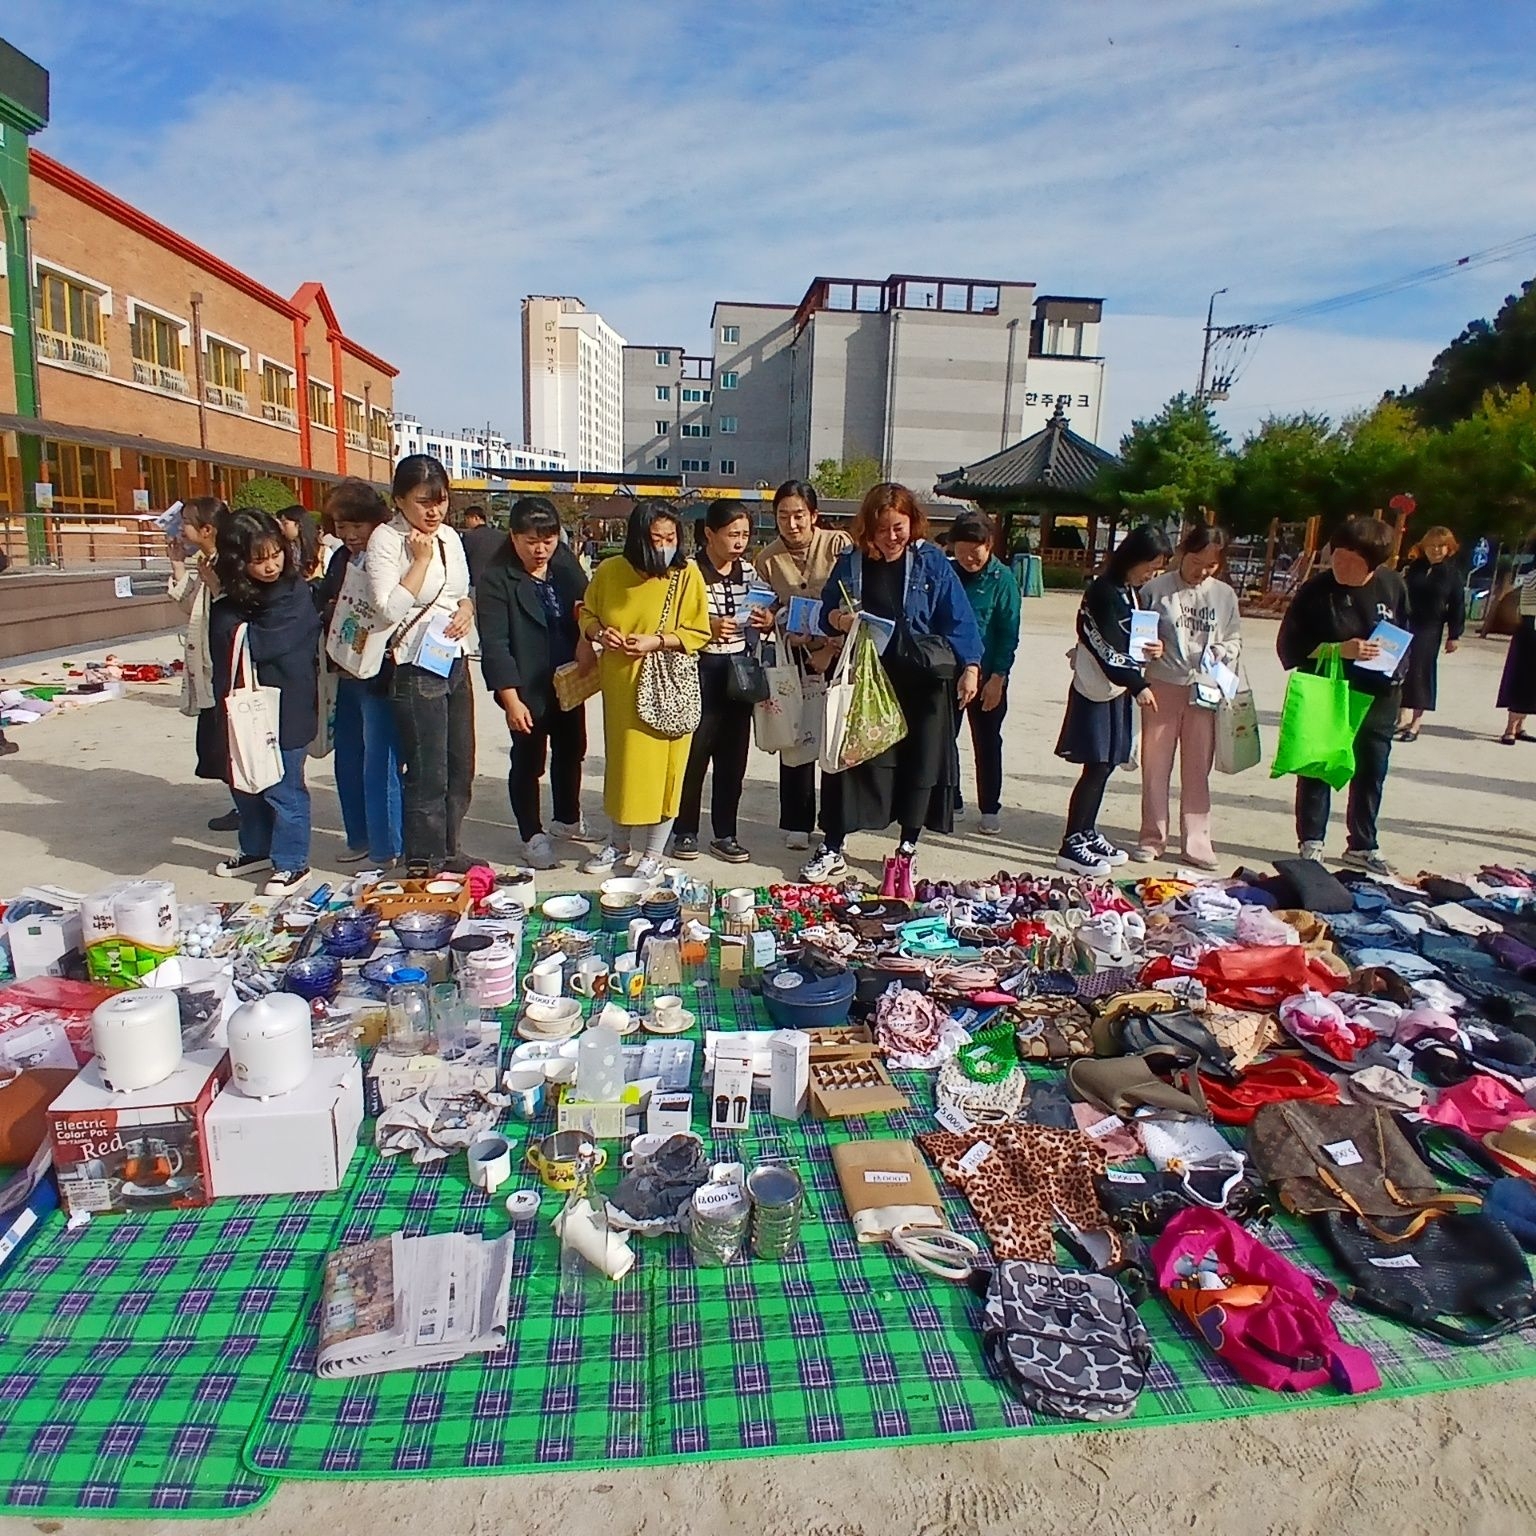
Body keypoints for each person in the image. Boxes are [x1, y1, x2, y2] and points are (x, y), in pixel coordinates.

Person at [803, 483, 982, 896]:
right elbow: (825, 611)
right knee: (848, 759)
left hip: (922, 679)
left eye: (898, 527)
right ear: (868, 527)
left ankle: (907, 846)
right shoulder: (851, 562)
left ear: (912, 522)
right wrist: (838, 619)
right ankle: (833, 844)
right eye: (882, 529)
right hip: (868, 676)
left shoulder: (930, 561)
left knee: (920, 761)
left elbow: (959, 618)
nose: (891, 537)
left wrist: (971, 667)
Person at [577, 502, 710, 880]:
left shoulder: (686, 575)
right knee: (623, 767)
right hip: (621, 685)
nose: (665, 546)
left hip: (666, 687)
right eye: (656, 539)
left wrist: (657, 641)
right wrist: (599, 633)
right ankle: (618, 843)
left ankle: (653, 852)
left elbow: (698, 631)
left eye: (671, 538)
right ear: (637, 539)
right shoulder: (610, 571)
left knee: (665, 772)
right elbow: (587, 613)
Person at [1277, 515, 1409, 873]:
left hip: (1379, 694)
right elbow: (1290, 646)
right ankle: (1311, 842)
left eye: (1353, 561)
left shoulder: (1393, 585)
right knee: (1319, 766)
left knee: (1371, 770)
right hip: (1328, 691)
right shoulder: (1315, 591)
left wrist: (1403, 683)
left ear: (1373, 564)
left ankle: (1363, 844)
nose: (1342, 566)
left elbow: (1406, 635)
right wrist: (1339, 650)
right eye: (1338, 556)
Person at [365, 454, 478, 870]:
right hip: (414, 664)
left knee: (460, 766)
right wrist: (421, 561)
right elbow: (387, 610)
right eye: (423, 502)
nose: (434, 511)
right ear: (399, 500)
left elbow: (460, 590)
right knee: (428, 770)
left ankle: (450, 848)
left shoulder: (449, 536)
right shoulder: (386, 540)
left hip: (453, 659)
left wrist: (466, 608)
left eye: (441, 500)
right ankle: (425, 859)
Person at [477, 496, 594, 869]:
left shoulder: (565, 567)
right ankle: (531, 834)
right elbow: (495, 645)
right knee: (529, 759)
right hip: (525, 684)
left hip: (567, 679)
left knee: (572, 748)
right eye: (531, 541)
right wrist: (510, 699)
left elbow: (588, 607)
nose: (540, 549)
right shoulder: (497, 579)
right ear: (513, 537)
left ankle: (567, 818)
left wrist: (586, 639)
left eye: (548, 540)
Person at [208, 509, 321, 895]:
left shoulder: (294, 593)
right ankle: (256, 848)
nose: (271, 566)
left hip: (287, 705)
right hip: (242, 706)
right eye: (259, 560)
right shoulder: (232, 597)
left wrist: (233, 621)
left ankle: (292, 862)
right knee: (245, 781)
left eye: (276, 554)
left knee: (283, 786)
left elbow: (264, 642)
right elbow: (221, 634)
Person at [1054, 525, 1171, 877]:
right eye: (1150, 566)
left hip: (1116, 691)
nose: (1151, 575)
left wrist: (1155, 649)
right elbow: (1103, 646)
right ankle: (1071, 842)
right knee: (1096, 764)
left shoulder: (1130, 592)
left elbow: (1132, 640)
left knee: (1107, 764)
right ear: (1133, 557)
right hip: (1098, 688)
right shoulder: (1103, 591)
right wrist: (1137, 684)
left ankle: (1087, 831)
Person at [1134, 524, 1242, 869]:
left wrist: (1222, 650)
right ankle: (1152, 837)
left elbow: (1235, 639)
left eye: (1211, 565)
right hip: (1163, 683)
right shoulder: (1156, 590)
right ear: (1183, 553)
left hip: (1205, 688)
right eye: (1196, 562)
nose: (1202, 571)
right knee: (1155, 765)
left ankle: (1197, 841)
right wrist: (1148, 648)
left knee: (1197, 768)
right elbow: (1137, 635)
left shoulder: (1224, 595)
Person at [674, 500, 774, 864]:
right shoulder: (688, 572)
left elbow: (766, 611)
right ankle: (685, 830)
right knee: (694, 755)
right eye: (732, 534)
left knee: (733, 759)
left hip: (739, 670)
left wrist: (766, 620)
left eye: (745, 534)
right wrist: (708, 627)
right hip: (700, 669)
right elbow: (672, 620)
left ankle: (725, 833)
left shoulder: (748, 571)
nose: (740, 542)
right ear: (709, 534)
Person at [755, 480, 852, 849]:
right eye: (783, 516)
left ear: (814, 515)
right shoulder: (767, 559)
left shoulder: (839, 545)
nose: (792, 524)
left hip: (838, 657)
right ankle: (797, 820)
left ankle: (836, 824)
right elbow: (766, 608)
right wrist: (774, 622)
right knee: (795, 737)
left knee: (835, 740)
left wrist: (831, 647)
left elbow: (855, 602)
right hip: (795, 658)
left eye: (799, 515)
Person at [314, 479, 403, 868]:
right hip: (345, 670)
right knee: (348, 757)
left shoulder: (390, 555)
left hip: (380, 674)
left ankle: (387, 847)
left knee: (379, 761)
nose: (349, 535)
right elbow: (324, 601)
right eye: (341, 526)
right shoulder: (340, 559)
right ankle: (359, 837)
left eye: (357, 525)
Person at [167, 495, 239, 832]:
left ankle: (250, 809)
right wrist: (178, 565)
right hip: (210, 665)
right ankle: (241, 804)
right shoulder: (205, 561)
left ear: (207, 529)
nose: (181, 529)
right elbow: (192, 607)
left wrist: (217, 586)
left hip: (230, 666)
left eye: (186, 522)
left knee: (233, 743)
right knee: (216, 745)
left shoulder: (231, 561)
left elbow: (236, 608)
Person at [948, 511, 1021, 835]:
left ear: (989, 545)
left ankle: (990, 806)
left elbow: (1008, 631)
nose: (967, 558)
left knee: (987, 741)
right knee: (945, 738)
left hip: (989, 672)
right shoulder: (949, 573)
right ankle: (952, 798)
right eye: (961, 551)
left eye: (974, 551)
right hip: (951, 671)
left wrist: (998, 677)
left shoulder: (1003, 579)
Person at [1397, 525, 1465, 742]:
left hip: (1429, 627)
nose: (1435, 550)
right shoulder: (1414, 568)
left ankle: (1416, 722)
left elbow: (1457, 606)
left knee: (1420, 671)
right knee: (1400, 668)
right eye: (1431, 545)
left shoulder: (1452, 574)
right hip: (1405, 623)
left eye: (1440, 546)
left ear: (1449, 548)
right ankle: (1401, 716)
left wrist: (1454, 635)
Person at [1497, 534, 1536, 745]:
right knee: (1524, 678)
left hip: (1529, 628)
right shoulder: (1533, 575)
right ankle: (1511, 727)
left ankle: (1519, 725)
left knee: (1532, 681)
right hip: (1531, 630)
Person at [460, 504, 503, 592]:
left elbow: (462, 559)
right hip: (497, 582)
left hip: (475, 582)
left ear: (476, 518)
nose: (466, 522)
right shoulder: (500, 536)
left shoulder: (469, 536)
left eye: (467, 519)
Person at [277, 505, 324, 581]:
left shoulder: (321, 551)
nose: (282, 528)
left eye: (285, 523)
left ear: (298, 525)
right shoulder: (286, 547)